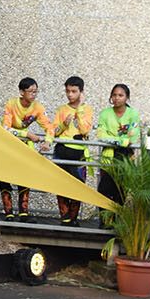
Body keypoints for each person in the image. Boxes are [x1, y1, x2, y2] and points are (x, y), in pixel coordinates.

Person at [0, 77, 52, 219]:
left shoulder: (38, 107)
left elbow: (49, 127)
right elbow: (6, 128)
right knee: (5, 177)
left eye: (36, 92)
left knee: (24, 177)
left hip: (24, 147)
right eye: (30, 92)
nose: (33, 95)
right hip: (8, 144)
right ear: (21, 92)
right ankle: (8, 212)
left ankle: (23, 213)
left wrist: (47, 141)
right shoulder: (11, 104)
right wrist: (26, 134)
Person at [52, 76, 93, 225]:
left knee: (78, 185)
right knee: (61, 184)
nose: (70, 95)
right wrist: (64, 124)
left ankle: (73, 219)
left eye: (74, 91)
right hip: (62, 150)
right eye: (68, 91)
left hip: (78, 152)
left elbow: (84, 129)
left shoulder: (87, 110)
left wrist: (80, 108)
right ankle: (65, 218)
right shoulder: (62, 109)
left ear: (81, 92)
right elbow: (54, 131)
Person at [96, 83, 140, 205]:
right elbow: (101, 135)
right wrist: (121, 141)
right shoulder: (105, 113)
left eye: (121, 95)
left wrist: (114, 139)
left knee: (120, 192)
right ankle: (104, 223)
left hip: (125, 157)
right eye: (114, 95)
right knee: (103, 191)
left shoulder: (133, 114)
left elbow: (132, 137)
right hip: (108, 157)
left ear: (127, 97)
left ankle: (116, 221)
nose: (117, 98)